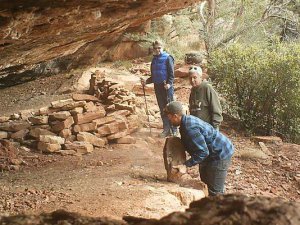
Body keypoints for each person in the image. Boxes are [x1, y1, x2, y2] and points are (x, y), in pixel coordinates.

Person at [164, 101, 234, 196]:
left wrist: (185, 165)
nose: (169, 120)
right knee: (205, 185)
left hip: (220, 153)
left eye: (169, 117)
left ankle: (220, 208)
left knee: (215, 193)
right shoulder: (185, 123)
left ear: (175, 116)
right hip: (209, 153)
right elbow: (193, 144)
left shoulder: (190, 128)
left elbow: (203, 152)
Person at [141, 40, 176, 137]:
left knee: (171, 107)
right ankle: (166, 129)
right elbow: (153, 76)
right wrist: (146, 81)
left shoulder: (168, 58)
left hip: (167, 87)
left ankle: (174, 129)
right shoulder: (154, 60)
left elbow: (172, 75)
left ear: (163, 47)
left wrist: (169, 84)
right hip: (158, 86)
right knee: (162, 108)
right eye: (156, 48)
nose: (158, 50)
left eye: (159, 48)